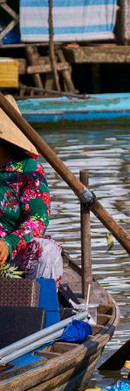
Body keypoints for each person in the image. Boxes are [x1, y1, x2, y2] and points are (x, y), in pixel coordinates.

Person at [0, 96, 62, 286]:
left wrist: (8, 244)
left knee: (46, 252)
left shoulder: (28, 169)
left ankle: (38, 312)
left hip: (12, 254)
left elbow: (37, 219)